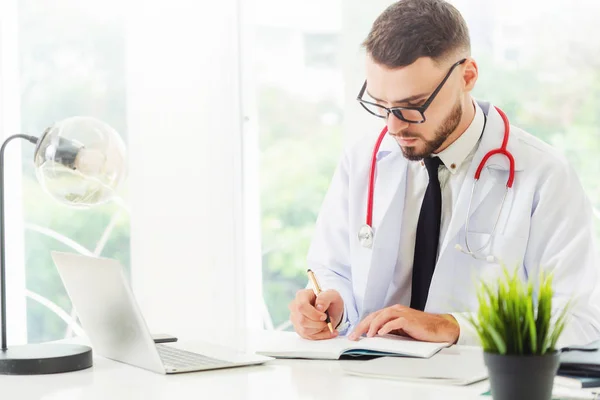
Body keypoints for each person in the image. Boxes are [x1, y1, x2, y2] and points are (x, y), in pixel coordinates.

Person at [288, 0, 600, 346]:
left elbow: (581, 320)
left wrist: (453, 327)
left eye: (413, 106)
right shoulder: (363, 160)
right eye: (382, 104)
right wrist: (333, 305)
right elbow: (332, 270)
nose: (394, 125)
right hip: (370, 377)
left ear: (467, 76)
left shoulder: (544, 175)